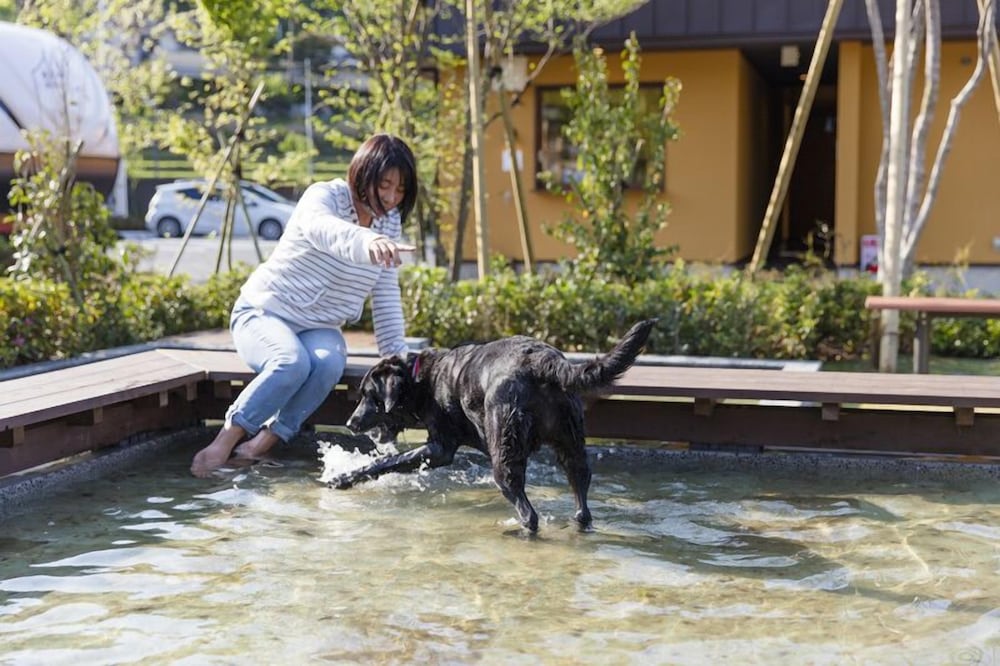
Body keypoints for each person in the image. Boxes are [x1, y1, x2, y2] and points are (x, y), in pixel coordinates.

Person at [190, 133, 418, 477]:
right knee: (290, 361)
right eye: (384, 185)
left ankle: (262, 444)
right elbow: (322, 229)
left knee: (328, 364)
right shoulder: (325, 196)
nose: (389, 198)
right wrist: (366, 240)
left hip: (319, 328)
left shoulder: (389, 222)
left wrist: (398, 361)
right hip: (263, 313)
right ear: (362, 173)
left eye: (400, 190)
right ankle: (225, 440)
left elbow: (385, 293)